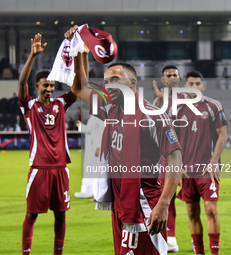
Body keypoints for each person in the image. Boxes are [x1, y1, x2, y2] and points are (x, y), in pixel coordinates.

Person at [66, 25, 182, 255]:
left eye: (116, 79)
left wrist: (164, 203)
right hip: (121, 205)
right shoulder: (110, 109)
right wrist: (81, 50)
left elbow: (175, 158)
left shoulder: (152, 115)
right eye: (107, 80)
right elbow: (79, 87)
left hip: (144, 206)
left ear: (132, 83)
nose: (109, 85)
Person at [19, 33, 77, 255]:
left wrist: (80, 52)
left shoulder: (61, 104)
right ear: (37, 86)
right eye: (45, 85)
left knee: (61, 214)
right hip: (39, 169)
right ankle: (26, 252)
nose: (49, 89)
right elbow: (22, 82)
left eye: (52, 86)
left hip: (61, 169)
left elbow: (79, 85)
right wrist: (33, 56)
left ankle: (58, 252)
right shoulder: (29, 106)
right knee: (32, 214)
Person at [176, 71, 228, 255]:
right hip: (186, 171)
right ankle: (200, 252)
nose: (194, 86)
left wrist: (214, 162)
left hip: (207, 169)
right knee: (192, 212)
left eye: (198, 83)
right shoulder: (178, 109)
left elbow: (223, 135)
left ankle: (214, 253)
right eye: (190, 83)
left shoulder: (213, 106)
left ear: (203, 87)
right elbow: (171, 139)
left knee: (211, 209)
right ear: (185, 87)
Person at [153, 65, 183, 252]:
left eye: (175, 75)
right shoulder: (157, 102)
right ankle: (169, 239)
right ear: (163, 80)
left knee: (195, 204)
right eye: (168, 75)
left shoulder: (188, 101)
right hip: (165, 158)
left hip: (186, 157)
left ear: (179, 78)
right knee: (166, 197)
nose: (172, 77)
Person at [74, 116, 104, 200]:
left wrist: (80, 126)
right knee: (89, 170)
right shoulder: (95, 116)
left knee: (95, 171)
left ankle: (98, 194)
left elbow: (98, 132)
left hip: (95, 148)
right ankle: (87, 191)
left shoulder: (98, 116)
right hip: (91, 148)